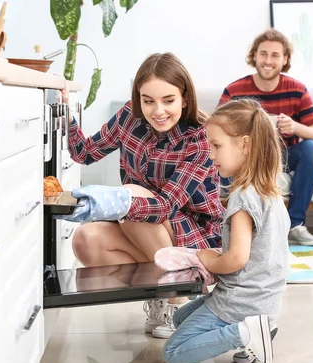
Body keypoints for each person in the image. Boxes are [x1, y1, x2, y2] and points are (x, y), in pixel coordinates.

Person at [59, 53, 224, 338]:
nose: (158, 111)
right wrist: (66, 115)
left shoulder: (200, 138)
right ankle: (160, 293)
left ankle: (178, 297)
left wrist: (116, 203)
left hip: (193, 235)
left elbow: (164, 207)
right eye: (148, 101)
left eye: (168, 100)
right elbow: (84, 153)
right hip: (143, 228)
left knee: (131, 196)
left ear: (185, 98)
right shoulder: (128, 117)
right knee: (86, 240)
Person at [163, 98, 290, 363]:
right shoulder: (271, 193)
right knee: (181, 317)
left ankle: (245, 333)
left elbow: (236, 259)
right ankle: (258, 331)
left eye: (217, 145)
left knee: (173, 353)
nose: (211, 154)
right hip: (266, 300)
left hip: (240, 302)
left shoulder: (243, 199)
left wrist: (208, 260)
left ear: (245, 145)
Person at [219, 28, 313, 246]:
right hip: (247, 158)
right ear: (255, 56)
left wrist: (296, 127)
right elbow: (216, 131)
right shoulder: (235, 90)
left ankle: (295, 224)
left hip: (284, 157)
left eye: (275, 55)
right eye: (263, 54)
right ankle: (229, 226)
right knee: (218, 157)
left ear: (285, 59)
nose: (268, 60)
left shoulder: (297, 89)